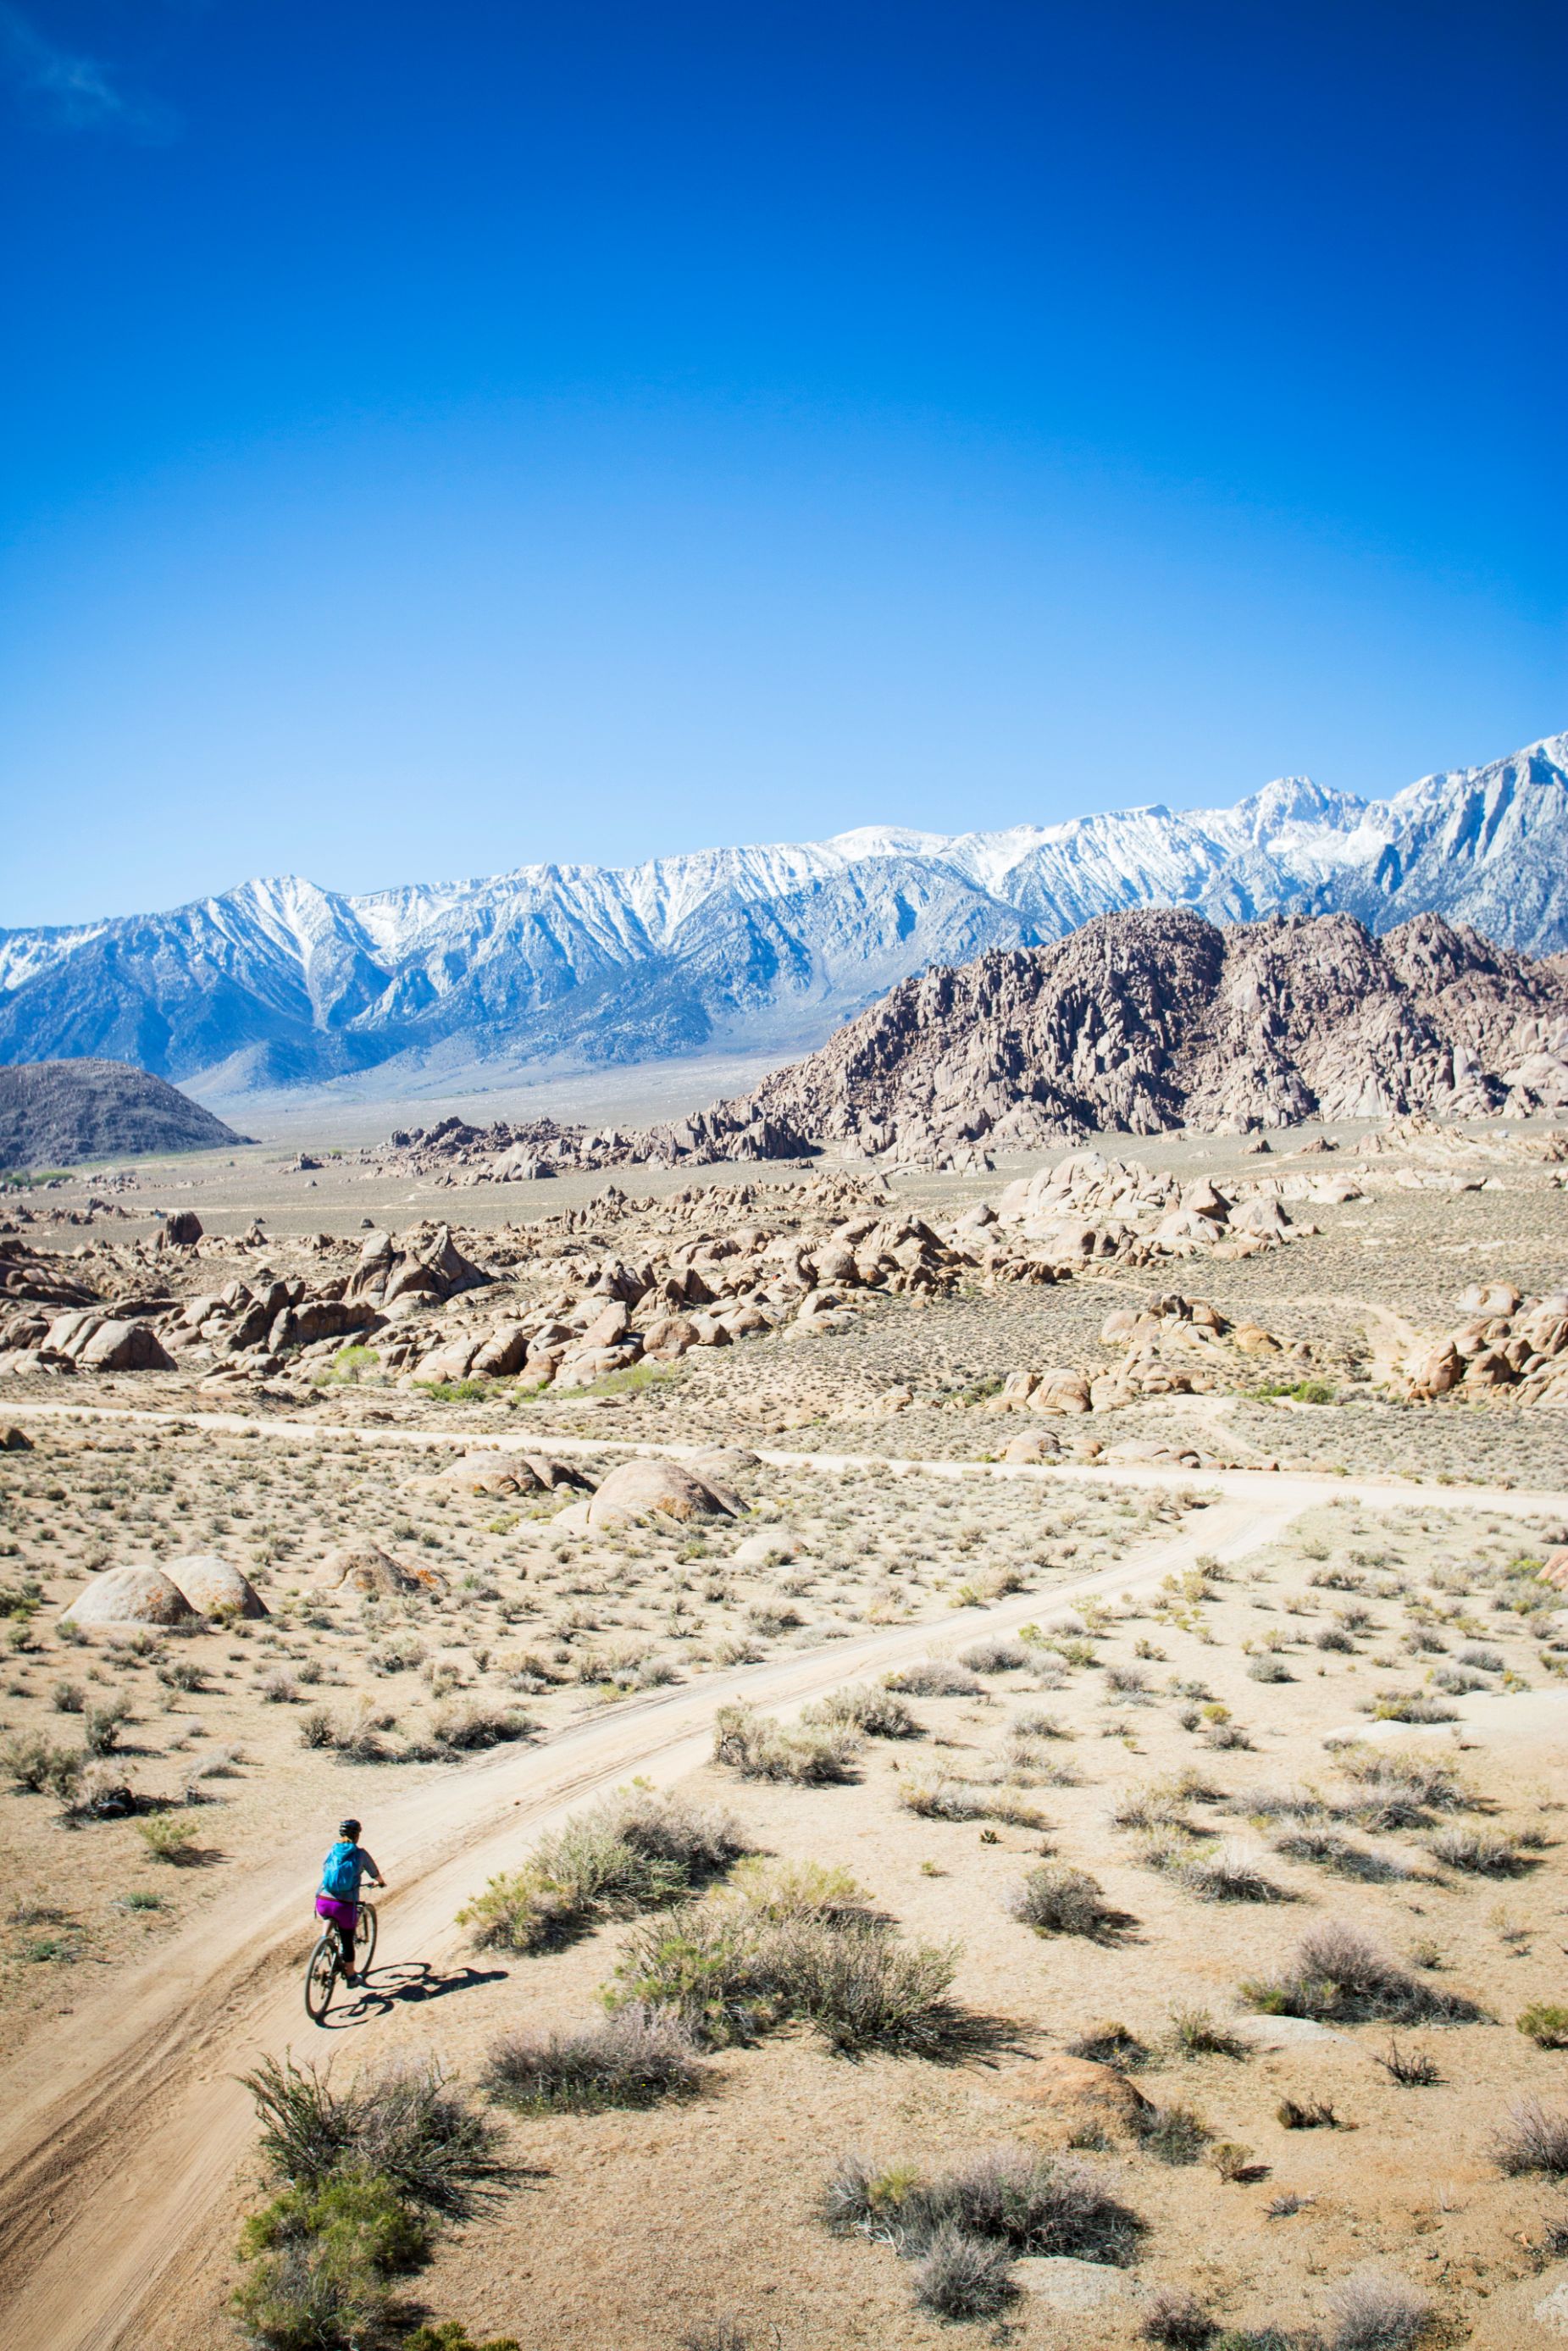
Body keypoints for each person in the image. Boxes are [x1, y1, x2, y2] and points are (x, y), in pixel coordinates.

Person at [316, 1817, 385, 1984]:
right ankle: (352, 1976)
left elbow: (325, 1869)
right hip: (344, 1906)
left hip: (323, 1901)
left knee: (328, 1917)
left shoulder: (332, 1850)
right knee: (347, 1941)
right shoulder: (360, 1854)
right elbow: (374, 1872)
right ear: (357, 1836)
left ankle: (323, 1942)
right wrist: (380, 1882)